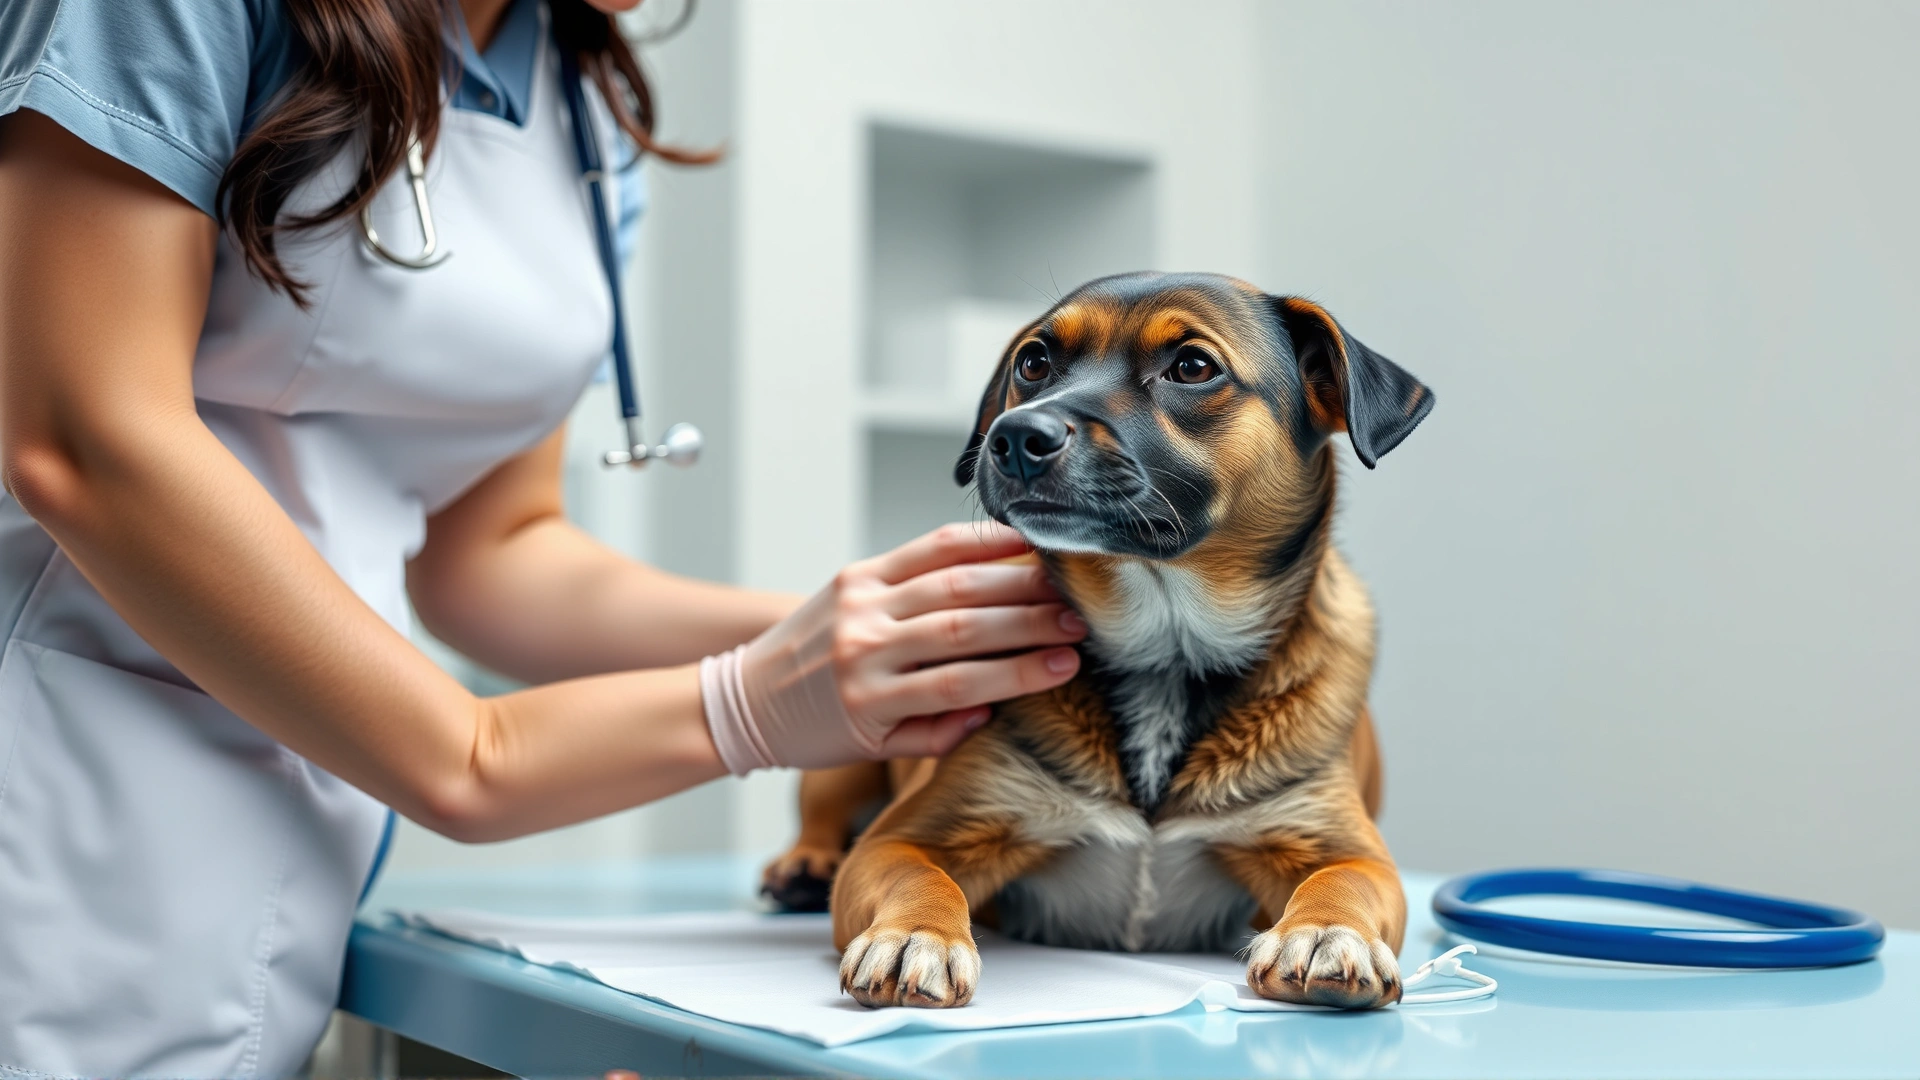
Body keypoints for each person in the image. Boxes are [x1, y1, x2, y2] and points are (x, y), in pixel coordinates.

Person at [0, 0, 1087, 1073]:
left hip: (301, 825)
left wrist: (876, 643)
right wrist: (738, 705)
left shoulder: (582, 109)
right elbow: (86, 441)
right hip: (62, 775)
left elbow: (496, 557)